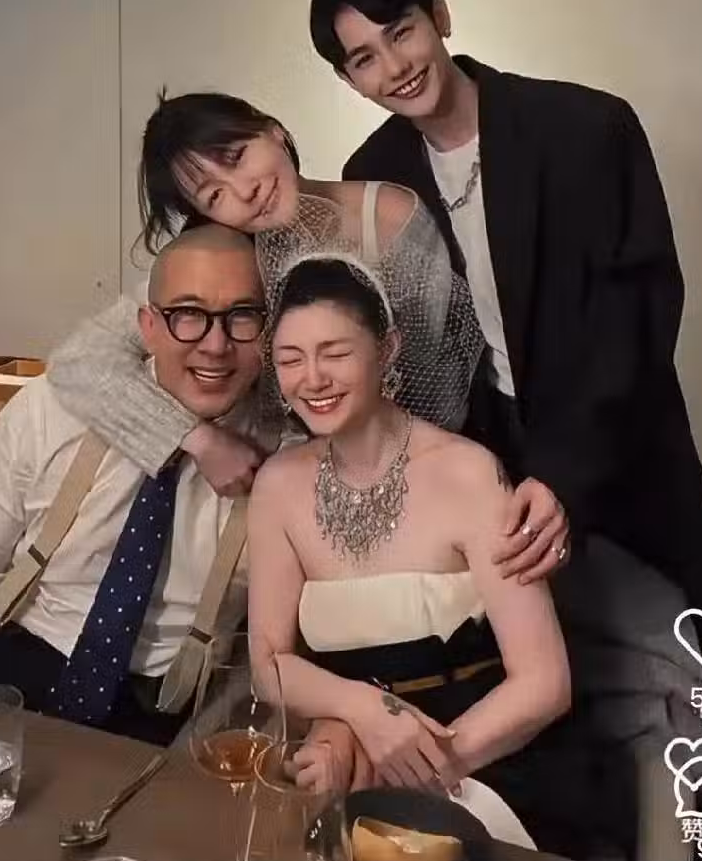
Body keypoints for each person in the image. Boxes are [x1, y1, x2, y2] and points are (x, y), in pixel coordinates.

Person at [308, 0, 702, 859]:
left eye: (402, 33)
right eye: (364, 59)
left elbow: (639, 314)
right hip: (484, 476)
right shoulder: (374, 171)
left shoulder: (585, 126)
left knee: (675, 679)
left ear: (440, 16)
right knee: (547, 701)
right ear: (348, 80)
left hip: (614, 452)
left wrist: (566, 477)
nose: (394, 68)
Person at [46, 91, 568, 587]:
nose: (244, 190)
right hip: (290, 485)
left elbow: (440, 386)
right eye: (214, 195)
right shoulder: (233, 263)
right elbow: (80, 361)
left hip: (420, 473)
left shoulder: (389, 214)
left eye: (237, 157)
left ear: (272, 131)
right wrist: (199, 439)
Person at [246, 255, 636, 861]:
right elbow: (268, 663)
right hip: (354, 763)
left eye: (335, 353)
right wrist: (358, 715)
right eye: (290, 359)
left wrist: (411, 768)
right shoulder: (276, 486)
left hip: (489, 764)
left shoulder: (469, 473)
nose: (312, 378)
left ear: (388, 349)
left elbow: (544, 684)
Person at [0, 226, 276, 746]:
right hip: (15, 665)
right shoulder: (50, 410)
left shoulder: (286, 455)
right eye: (187, 314)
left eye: (243, 316)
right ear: (147, 327)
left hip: (165, 708)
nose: (215, 345)